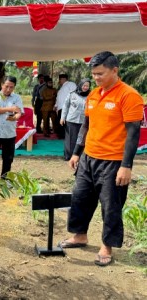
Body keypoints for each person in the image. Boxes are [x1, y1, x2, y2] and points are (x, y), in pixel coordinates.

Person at [60, 51, 144, 267]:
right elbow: (86, 126)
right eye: (94, 74)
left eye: (100, 73)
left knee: (111, 205)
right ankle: (80, 235)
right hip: (88, 158)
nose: (96, 78)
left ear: (115, 70)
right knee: (80, 198)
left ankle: (107, 245)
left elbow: (133, 134)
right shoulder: (94, 95)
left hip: (114, 162)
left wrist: (126, 166)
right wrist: (77, 152)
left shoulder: (129, 95)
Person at [60, 78, 91, 161]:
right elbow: (65, 106)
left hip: (83, 121)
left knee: (81, 138)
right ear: (80, 85)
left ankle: (79, 156)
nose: (85, 87)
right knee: (70, 139)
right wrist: (63, 117)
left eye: (87, 86)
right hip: (71, 120)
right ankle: (68, 156)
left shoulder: (90, 96)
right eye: (84, 85)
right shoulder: (72, 94)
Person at [55, 74, 77, 139]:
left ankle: (67, 136)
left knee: (66, 123)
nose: (59, 81)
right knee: (61, 122)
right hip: (60, 107)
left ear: (64, 79)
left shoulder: (71, 84)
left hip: (68, 107)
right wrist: (56, 105)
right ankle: (62, 136)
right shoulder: (62, 87)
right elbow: (59, 97)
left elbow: (74, 94)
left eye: (60, 79)